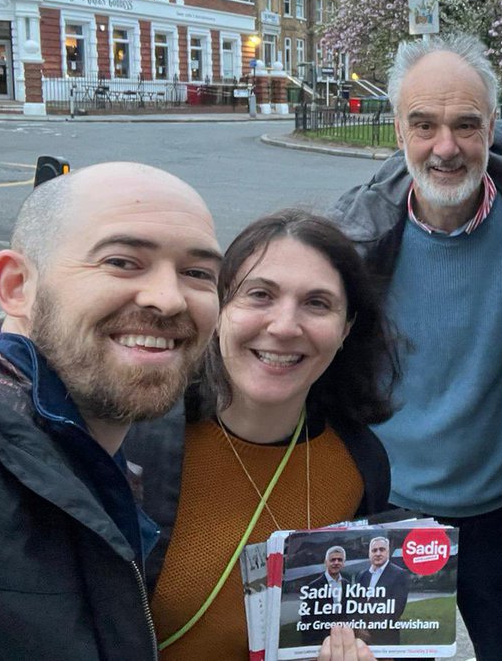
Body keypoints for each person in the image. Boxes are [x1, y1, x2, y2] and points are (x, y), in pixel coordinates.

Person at [328, 32, 502, 660]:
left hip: (501, 510)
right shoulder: (350, 238)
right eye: (424, 125)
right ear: (398, 130)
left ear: (493, 126)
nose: (445, 147)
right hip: (385, 511)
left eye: (465, 125)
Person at [0, 162, 223, 660]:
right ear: (16, 285)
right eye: (122, 261)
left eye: (198, 273)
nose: (168, 298)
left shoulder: (101, 454)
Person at [124, 209, 397, 659]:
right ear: (218, 309)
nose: (285, 326)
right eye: (259, 295)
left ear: (346, 328)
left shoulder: (359, 463)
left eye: (317, 303)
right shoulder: (132, 445)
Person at [354, 536, 411, 645]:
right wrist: (359, 628)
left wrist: (371, 629)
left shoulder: (399, 574)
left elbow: (396, 609)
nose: (378, 553)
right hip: (361, 638)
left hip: (386, 636)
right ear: (369, 554)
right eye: (374, 550)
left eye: (382, 549)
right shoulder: (362, 575)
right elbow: (355, 604)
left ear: (388, 552)